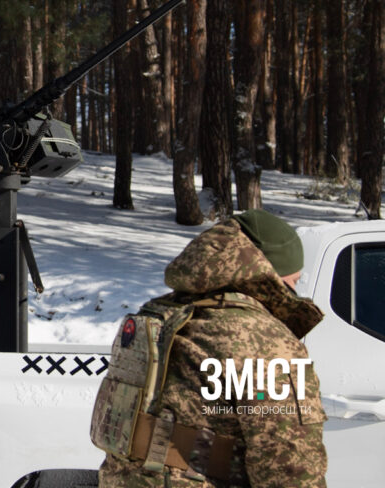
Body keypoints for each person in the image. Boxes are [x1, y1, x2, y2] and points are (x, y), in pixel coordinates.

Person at [92, 209, 327, 487]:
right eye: (293, 281)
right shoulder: (266, 341)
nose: (294, 290)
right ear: (270, 275)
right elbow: (290, 465)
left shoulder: (159, 314)